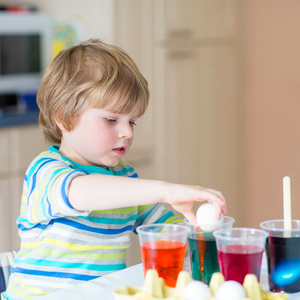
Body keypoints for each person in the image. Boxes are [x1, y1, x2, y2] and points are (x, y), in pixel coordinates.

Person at [3, 39, 226, 300]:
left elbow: (165, 230)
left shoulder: (125, 178)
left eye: (132, 121)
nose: (127, 132)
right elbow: (81, 193)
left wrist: (199, 232)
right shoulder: (46, 171)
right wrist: (167, 190)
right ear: (63, 118)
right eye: (111, 119)